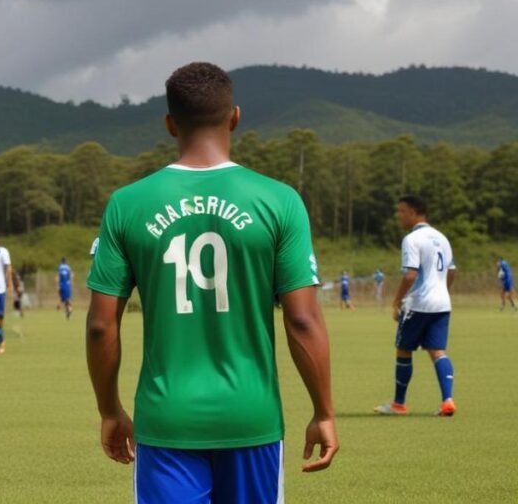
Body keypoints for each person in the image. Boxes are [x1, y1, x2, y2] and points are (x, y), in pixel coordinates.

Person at [86, 62, 337, 503]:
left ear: (169, 124)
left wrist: (110, 410)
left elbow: (100, 325)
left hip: (166, 420)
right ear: (235, 117)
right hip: (251, 417)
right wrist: (323, 412)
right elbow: (302, 320)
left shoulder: (127, 205)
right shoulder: (279, 201)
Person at [375, 195, 456, 417]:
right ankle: (447, 401)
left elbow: (410, 275)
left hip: (419, 303)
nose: (398, 216)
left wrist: (397, 300)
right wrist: (443, 291)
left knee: (403, 349)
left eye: (401, 211)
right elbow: (452, 271)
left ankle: (399, 404)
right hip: (442, 303)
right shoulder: (442, 238)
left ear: (413, 212)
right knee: (438, 352)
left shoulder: (412, 239)